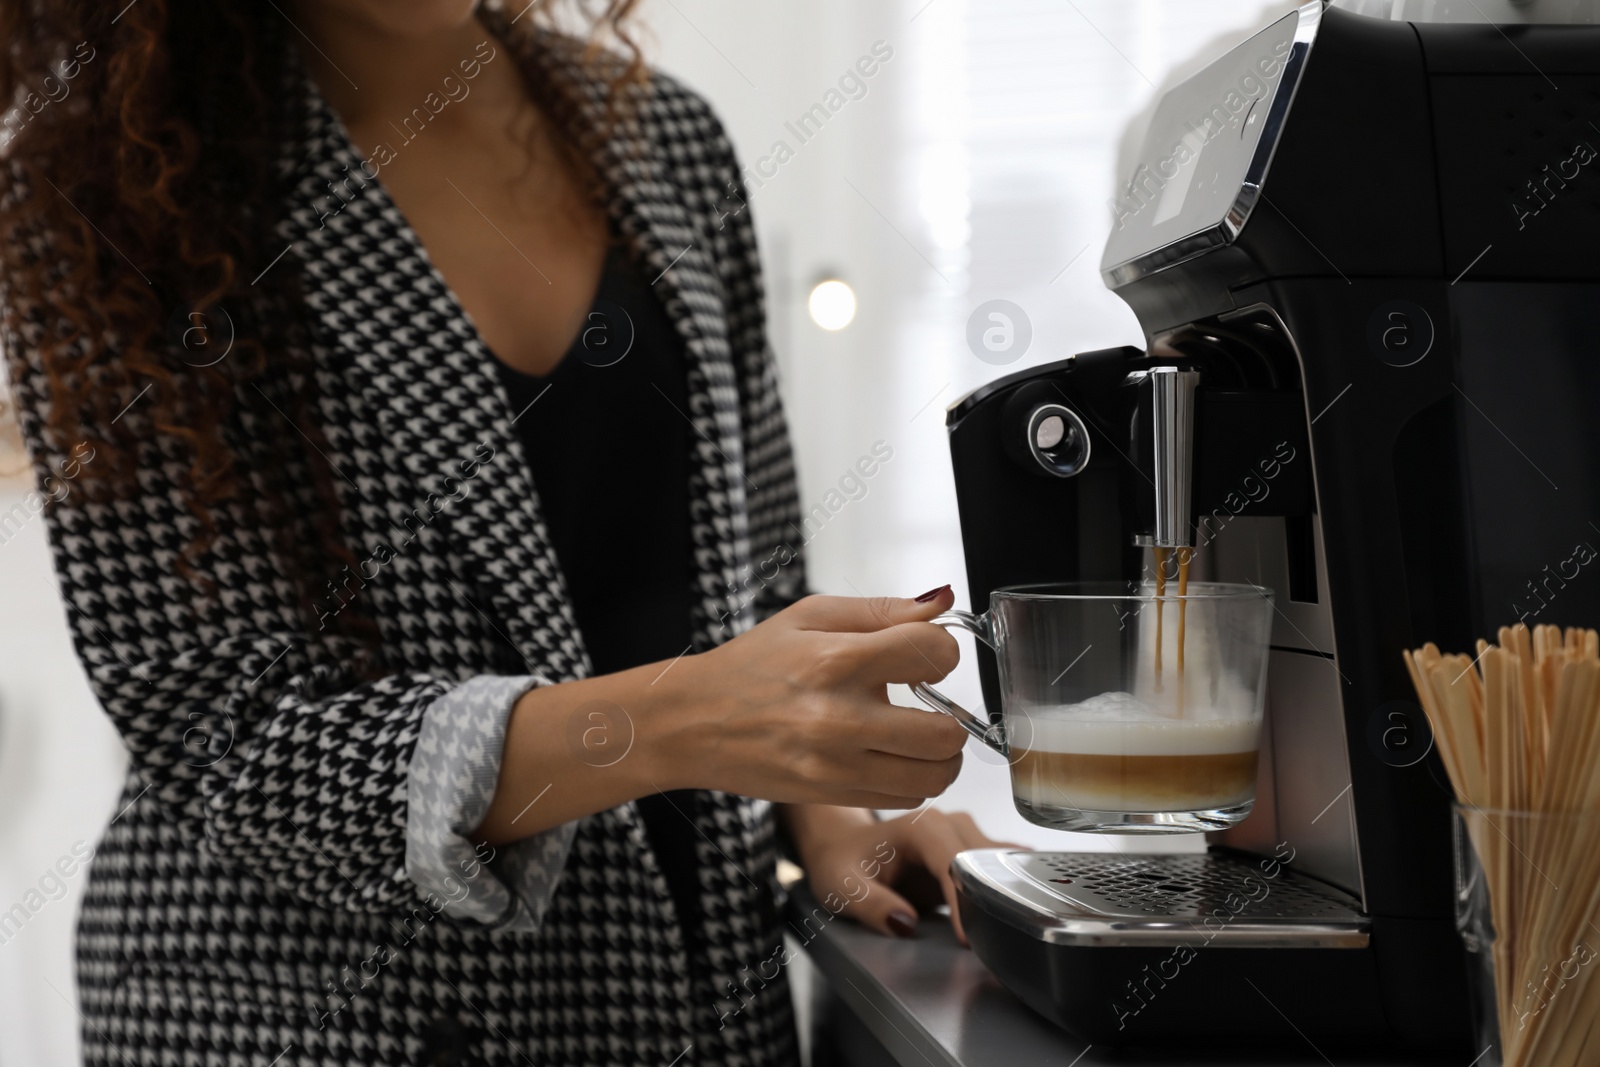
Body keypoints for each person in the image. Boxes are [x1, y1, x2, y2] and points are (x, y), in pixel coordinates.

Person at [0, 1, 1012, 1063]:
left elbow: (744, 571)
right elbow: (231, 740)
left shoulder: (668, 142)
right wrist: (672, 720)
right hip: (311, 1019)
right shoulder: (105, 190)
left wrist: (825, 815)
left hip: (691, 995)